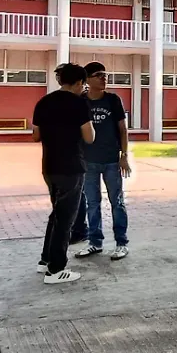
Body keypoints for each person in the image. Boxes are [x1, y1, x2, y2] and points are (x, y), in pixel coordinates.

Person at [32, 63, 95, 285]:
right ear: (79, 83)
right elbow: (89, 137)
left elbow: (35, 136)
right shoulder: (79, 105)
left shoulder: (43, 102)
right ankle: (56, 269)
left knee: (57, 214)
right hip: (72, 166)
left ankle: (45, 260)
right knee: (65, 219)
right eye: (83, 84)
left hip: (49, 166)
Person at [68, 61, 134, 260]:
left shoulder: (113, 100)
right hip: (88, 162)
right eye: (99, 75)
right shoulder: (81, 101)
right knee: (92, 203)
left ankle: (121, 242)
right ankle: (95, 242)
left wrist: (124, 156)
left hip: (111, 161)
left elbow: (123, 130)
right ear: (87, 79)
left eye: (105, 75)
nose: (104, 78)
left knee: (117, 202)